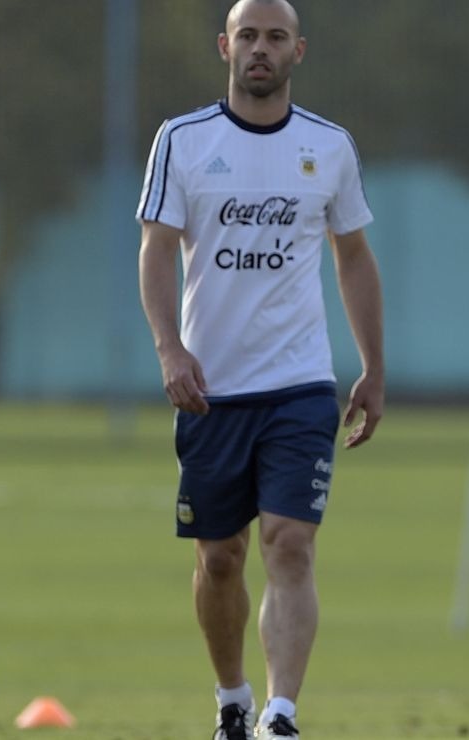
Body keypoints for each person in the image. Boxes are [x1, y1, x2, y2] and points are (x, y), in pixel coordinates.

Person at [137, 1, 384, 738]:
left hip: (300, 386)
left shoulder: (329, 147)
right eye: (248, 36)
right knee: (221, 559)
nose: (260, 49)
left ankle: (281, 714)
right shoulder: (183, 140)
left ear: (297, 50)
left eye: (276, 37)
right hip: (211, 390)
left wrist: (372, 365)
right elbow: (156, 249)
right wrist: (169, 348)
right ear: (226, 46)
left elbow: (354, 257)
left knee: (289, 542)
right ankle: (234, 700)